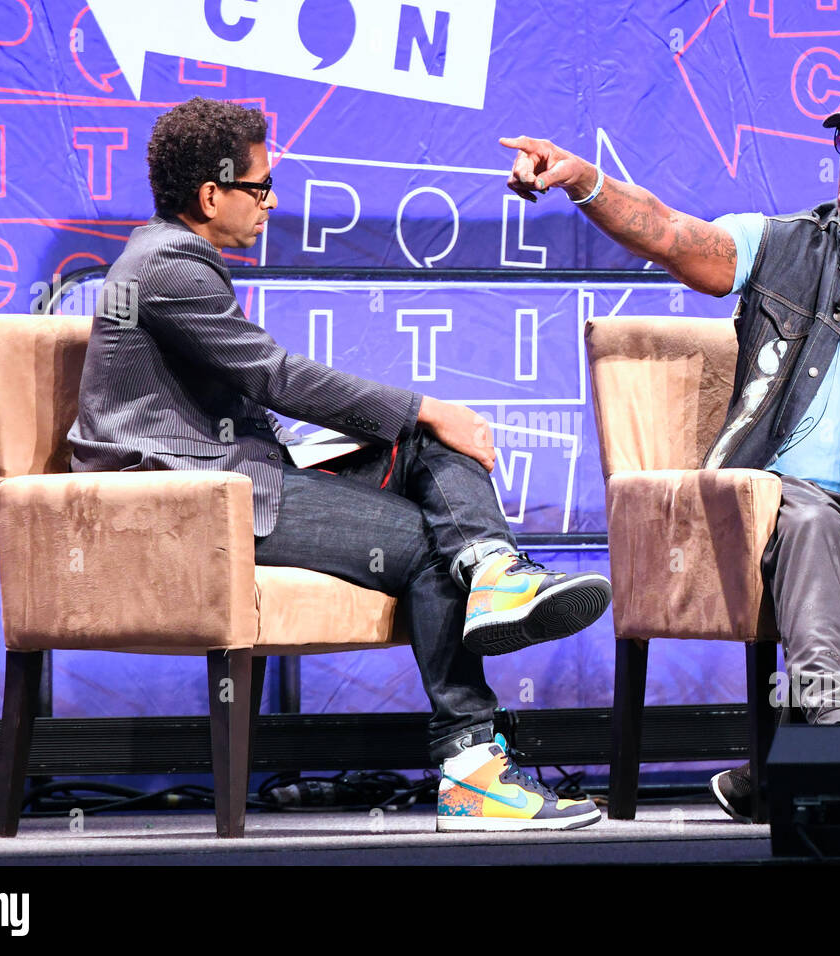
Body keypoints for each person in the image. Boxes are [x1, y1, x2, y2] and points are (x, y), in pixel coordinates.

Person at [500, 72, 840, 818]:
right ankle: (833, 750)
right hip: (780, 498)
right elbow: (672, 234)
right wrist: (588, 183)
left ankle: (839, 759)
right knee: (817, 524)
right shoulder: (786, 244)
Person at [67, 96, 611, 832]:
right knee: (426, 542)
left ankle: (493, 571)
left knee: (426, 447)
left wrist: (420, 420)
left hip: (237, 475)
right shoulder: (166, 268)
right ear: (210, 195)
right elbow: (276, 377)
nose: (271, 201)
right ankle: (473, 769)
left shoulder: (165, 256)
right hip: (191, 505)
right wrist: (425, 404)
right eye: (259, 188)